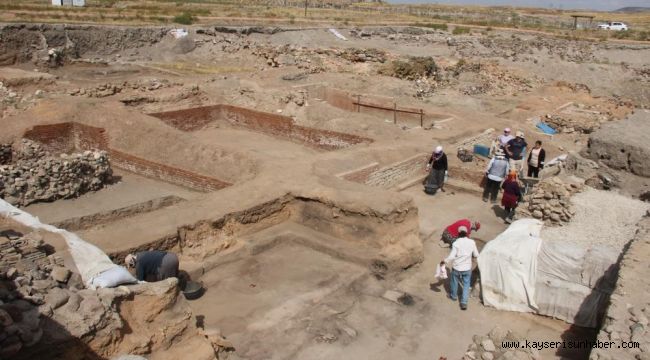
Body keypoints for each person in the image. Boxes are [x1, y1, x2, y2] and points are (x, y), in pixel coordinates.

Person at [442, 226, 479, 310]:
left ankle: (454, 296)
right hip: (467, 268)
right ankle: (464, 302)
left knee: (454, 281)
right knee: (466, 284)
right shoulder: (472, 242)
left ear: (458, 233)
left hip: (457, 268)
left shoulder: (456, 243)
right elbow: (476, 255)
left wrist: (445, 261)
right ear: (466, 233)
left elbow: (451, 256)